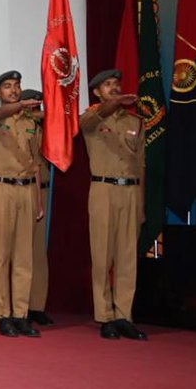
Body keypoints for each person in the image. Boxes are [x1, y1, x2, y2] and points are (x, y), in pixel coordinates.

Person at [81, 70, 148, 341]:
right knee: (102, 256)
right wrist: (115, 102)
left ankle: (124, 316)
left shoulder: (135, 121)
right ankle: (105, 316)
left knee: (127, 257)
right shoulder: (91, 117)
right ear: (97, 92)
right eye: (107, 85)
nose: (114, 87)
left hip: (130, 191)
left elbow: (141, 165)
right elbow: (91, 119)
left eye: (116, 83)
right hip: (103, 189)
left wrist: (141, 203)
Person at [0, 71, 43, 338]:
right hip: (1, 188)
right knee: (2, 256)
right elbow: (1, 114)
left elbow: (36, 162)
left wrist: (37, 198)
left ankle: (21, 313)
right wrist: (19, 106)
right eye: (7, 87)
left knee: (24, 257)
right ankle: (3, 314)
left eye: (17, 85)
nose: (14, 90)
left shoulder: (31, 122)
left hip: (26, 189)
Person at [21, 88, 55, 326]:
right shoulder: (21, 125)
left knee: (38, 253)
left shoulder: (49, 128)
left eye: (38, 103)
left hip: (42, 189)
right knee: (20, 252)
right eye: (31, 103)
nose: (35, 107)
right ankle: (19, 305)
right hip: (22, 188)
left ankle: (37, 305)